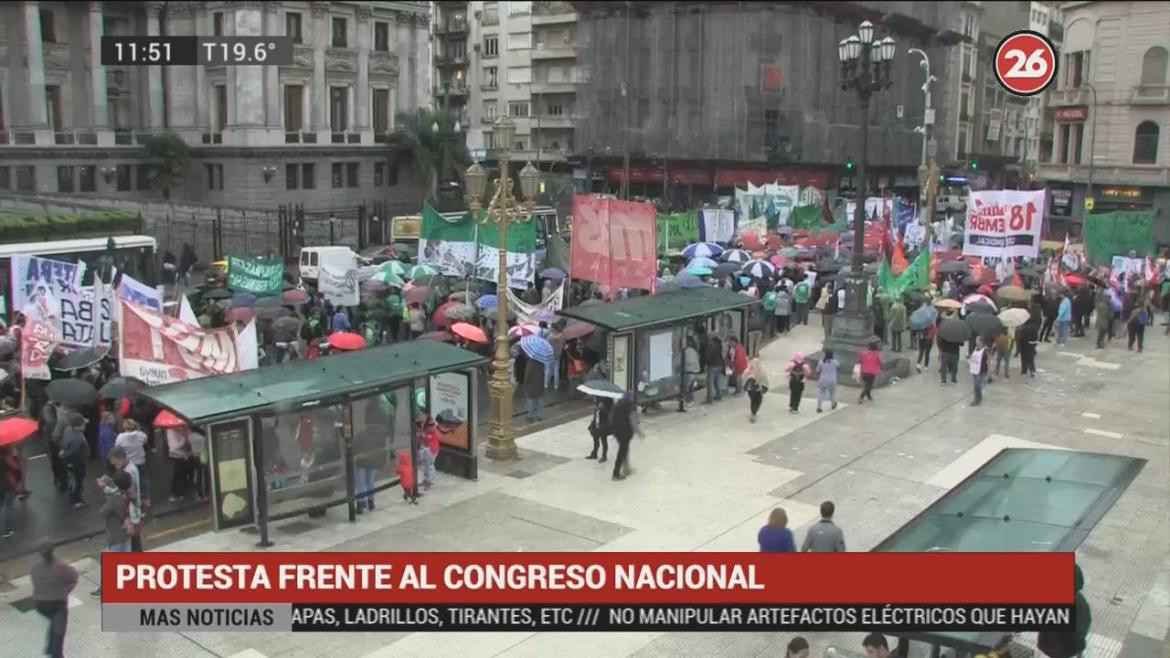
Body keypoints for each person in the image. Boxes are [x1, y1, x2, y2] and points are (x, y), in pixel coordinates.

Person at [30, 542, 79, 658]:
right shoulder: (60, 567)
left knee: (54, 622)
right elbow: (74, 577)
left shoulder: (35, 568)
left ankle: (49, 648)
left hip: (40, 604)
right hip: (58, 604)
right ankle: (56, 654)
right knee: (59, 631)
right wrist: (67, 590)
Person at [91, 470, 131, 598]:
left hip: (115, 535)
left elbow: (102, 512)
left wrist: (105, 489)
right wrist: (107, 486)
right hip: (127, 533)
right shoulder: (128, 494)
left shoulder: (114, 499)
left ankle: (104, 590)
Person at [101, 447, 143, 552]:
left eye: (116, 464)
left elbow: (124, 490)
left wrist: (105, 487)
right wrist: (111, 481)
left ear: (121, 458)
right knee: (134, 541)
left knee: (134, 542)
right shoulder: (131, 467)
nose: (115, 467)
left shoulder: (128, 472)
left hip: (130, 511)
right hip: (133, 511)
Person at [114, 419, 150, 508]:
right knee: (144, 479)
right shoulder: (140, 435)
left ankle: (133, 501)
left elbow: (117, 447)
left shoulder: (120, 437)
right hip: (140, 460)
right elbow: (145, 441)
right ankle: (147, 500)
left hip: (128, 463)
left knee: (130, 482)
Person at [609, 392, 643, 481]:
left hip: (616, 431)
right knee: (622, 452)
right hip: (624, 432)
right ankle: (616, 474)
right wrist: (639, 433)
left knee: (624, 450)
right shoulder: (630, 407)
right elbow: (634, 423)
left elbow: (611, 417)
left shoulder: (618, 404)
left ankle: (626, 469)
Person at [60, 415, 89, 509]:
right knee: (78, 481)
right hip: (77, 462)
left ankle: (74, 494)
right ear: (77, 426)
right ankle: (76, 501)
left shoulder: (68, 429)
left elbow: (64, 445)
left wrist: (63, 451)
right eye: (83, 425)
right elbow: (73, 452)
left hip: (69, 461)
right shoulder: (77, 439)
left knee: (73, 480)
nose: (85, 426)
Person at [166, 426, 192, 502]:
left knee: (182, 473)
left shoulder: (183, 428)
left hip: (184, 455)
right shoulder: (171, 431)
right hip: (177, 455)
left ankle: (182, 490)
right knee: (178, 475)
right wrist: (184, 438)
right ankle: (177, 493)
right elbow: (174, 447)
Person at [416, 415, 440, 489]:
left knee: (429, 465)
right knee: (421, 464)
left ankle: (429, 480)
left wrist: (424, 436)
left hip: (430, 449)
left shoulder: (431, 426)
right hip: (423, 448)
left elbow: (434, 436)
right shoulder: (421, 425)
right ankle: (423, 480)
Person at [743, 358, 769, 423]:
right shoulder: (762, 372)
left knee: (753, 401)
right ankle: (754, 413)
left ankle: (753, 412)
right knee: (758, 401)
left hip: (751, 390)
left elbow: (743, 377)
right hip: (759, 390)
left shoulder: (748, 370)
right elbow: (765, 383)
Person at [586, 396, 613, 462]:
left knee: (603, 439)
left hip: (604, 423)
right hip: (597, 422)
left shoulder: (609, 399)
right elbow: (596, 411)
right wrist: (595, 409)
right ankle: (594, 453)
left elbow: (610, 412)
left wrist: (602, 408)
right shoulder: (598, 397)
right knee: (595, 438)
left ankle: (604, 456)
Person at [679, 335, 701, 410]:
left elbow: (682, 363)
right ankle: (691, 401)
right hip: (696, 371)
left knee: (686, 388)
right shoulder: (694, 350)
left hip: (689, 372)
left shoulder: (685, 351)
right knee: (691, 387)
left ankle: (686, 402)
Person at [523, 354, 546, 422]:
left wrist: (525, 381)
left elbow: (527, 374)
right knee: (539, 399)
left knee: (531, 400)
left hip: (531, 383)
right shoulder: (541, 361)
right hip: (540, 382)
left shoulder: (530, 362)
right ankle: (539, 415)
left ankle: (530, 416)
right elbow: (543, 372)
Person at [1, 447, 17, 538]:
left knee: (2, 506)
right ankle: (7, 529)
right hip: (6, 485)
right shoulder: (5, 458)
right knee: (8, 507)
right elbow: (15, 467)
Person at [969, 337, 990, 406]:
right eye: (977, 341)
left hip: (981, 370)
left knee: (977, 385)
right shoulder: (975, 349)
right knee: (975, 386)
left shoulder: (985, 350)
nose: (977, 343)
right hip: (975, 370)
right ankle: (977, 399)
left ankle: (977, 400)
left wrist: (989, 373)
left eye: (979, 341)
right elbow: (973, 357)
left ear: (983, 343)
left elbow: (988, 361)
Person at [705, 333, 724, 403]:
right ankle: (718, 396)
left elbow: (708, 355)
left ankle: (709, 398)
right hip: (719, 365)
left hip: (712, 365)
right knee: (716, 381)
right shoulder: (719, 344)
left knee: (709, 382)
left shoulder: (711, 345)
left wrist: (706, 363)